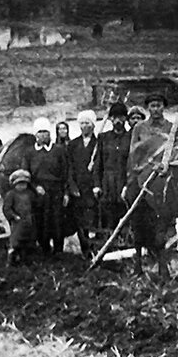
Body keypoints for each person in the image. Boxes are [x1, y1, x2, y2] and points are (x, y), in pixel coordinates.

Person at [25, 117, 69, 255]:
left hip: (56, 191)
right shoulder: (30, 152)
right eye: (40, 132)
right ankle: (45, 249)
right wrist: (34, 186)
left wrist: (66, 192)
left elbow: (67, 172)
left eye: (46, 132)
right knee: (41, 222)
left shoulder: (59, 150)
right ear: (35, 135)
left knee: (57, 222)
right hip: (39, 192)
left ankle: (58, 251)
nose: (43, 135)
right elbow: (25, 174)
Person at [93, 103, 132, 233]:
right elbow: (98, 163)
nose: (118, 121)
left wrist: (128, 185)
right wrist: (97, 185)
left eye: (121, 117)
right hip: (107, 184)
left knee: (126, 216)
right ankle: (108, 248)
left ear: (126, 119)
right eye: (114, 117)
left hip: (124, 182)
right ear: (110, 119)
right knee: (107, 217)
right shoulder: (104, 138)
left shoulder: (131, 137)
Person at [67, 110, 101, 257]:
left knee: (93, 218)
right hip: (78, 189)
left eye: (87, 123)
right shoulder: (73, 145)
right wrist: (72, 186)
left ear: (93, 126)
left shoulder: (99, 144)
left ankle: (95, 249)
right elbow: (69, 167)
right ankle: (84, 249)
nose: (84, 126)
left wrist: (97, 185)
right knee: (80, 220)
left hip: (93, 188)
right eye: (82, 123)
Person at [2, 169, 38, 264]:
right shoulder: (11, 195)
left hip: (29, 221)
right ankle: (11, 260)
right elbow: (6, 208)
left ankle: (25, 259)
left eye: (24, 184)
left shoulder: (30, 194)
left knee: (28, 241)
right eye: (19, 184)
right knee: (16, 241)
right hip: (18, 222)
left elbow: (35, 204)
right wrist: (13, 216)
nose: (22, 186)